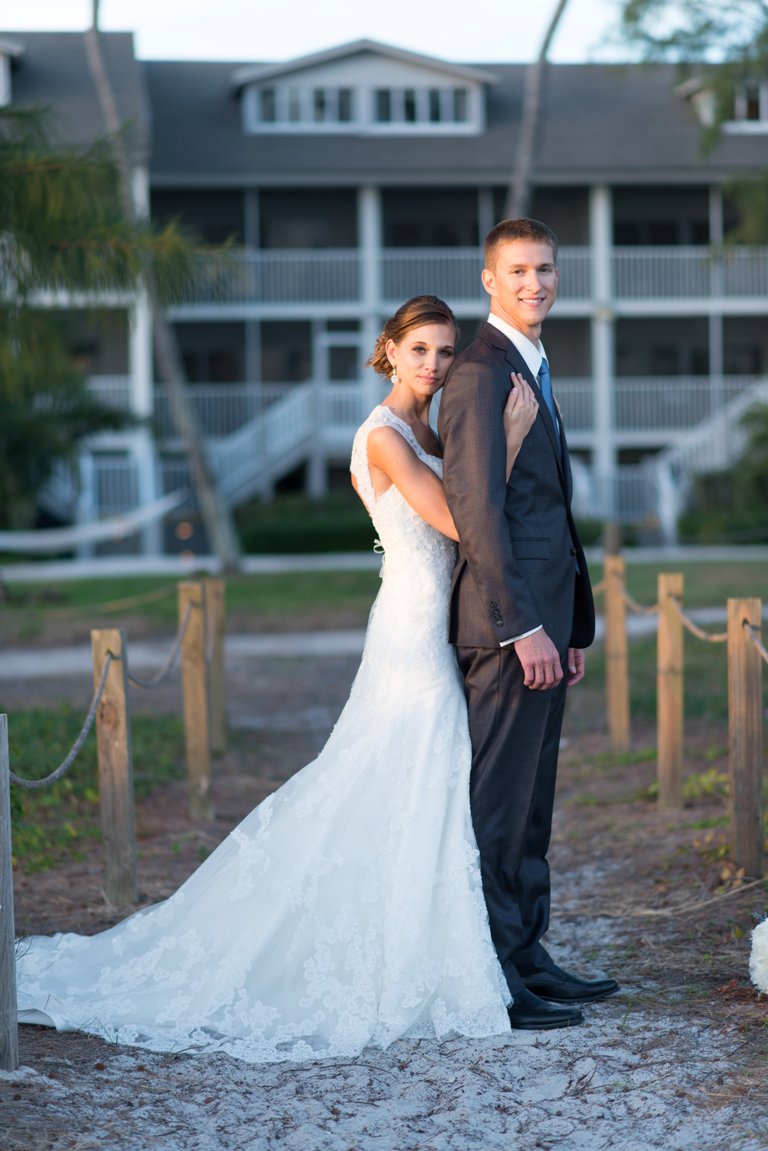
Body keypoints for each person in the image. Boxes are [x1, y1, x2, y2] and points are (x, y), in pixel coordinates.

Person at [16, 295, 539, 1064]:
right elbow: (463, 523)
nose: (434, 364)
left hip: (432, 618)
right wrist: (513, 435)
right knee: (405, 764)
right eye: (420, 349)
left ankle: (418, 936)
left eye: (445, 351)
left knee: (412, 776)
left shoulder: (429, 428)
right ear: (388, 349)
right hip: (409, 629)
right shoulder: (386, 435)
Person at [438, 218, 619, 1032]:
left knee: (533, 807)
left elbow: (546, 508)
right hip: (507, 629)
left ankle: (529, 955)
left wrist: (568, 625)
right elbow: (477, 512)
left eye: (544, 269)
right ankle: (494, 979)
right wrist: (521, 627)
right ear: (488, 280)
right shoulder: (479, 374)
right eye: (516, 271)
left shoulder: (532, 364)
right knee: (499, 809)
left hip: (545, 624)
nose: (534, 283)